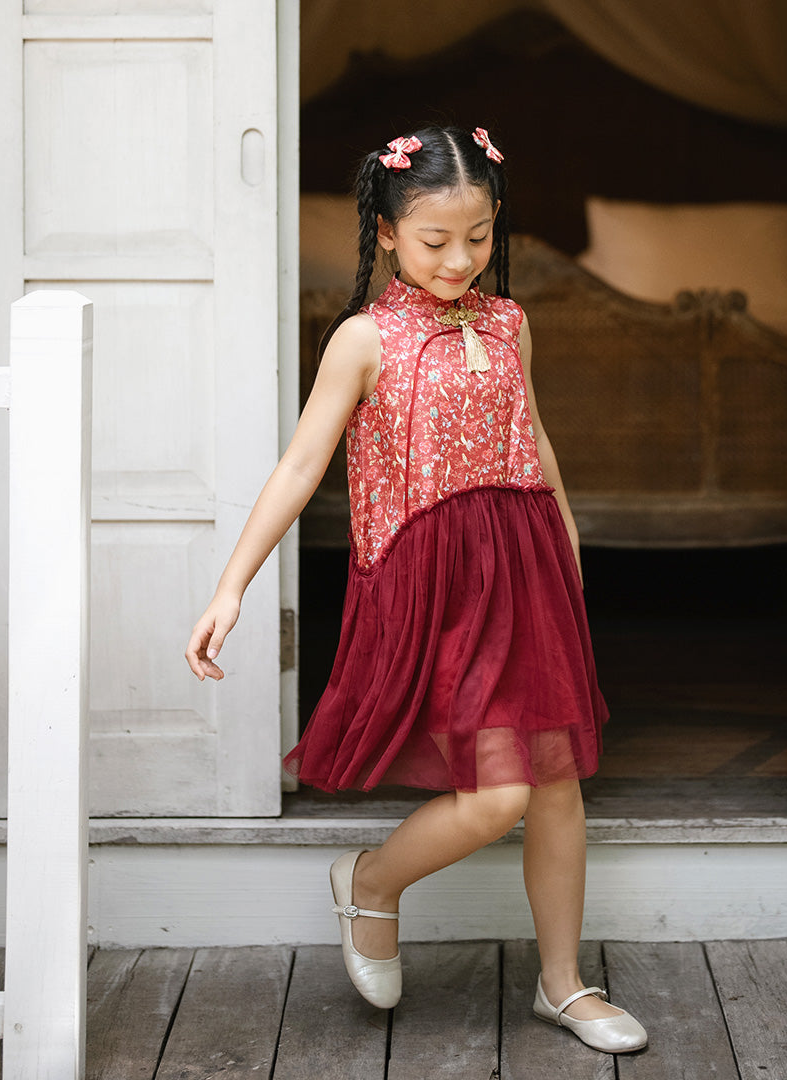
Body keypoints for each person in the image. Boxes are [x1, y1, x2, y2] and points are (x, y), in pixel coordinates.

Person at [185, 124, 647, 1054]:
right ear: (388, 233)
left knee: (556, 785)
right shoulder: (363, 339)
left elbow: (536, 440)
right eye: (435, 241)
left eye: (478, 237)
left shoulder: (511, 321)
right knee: (498, 794)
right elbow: (299, 465)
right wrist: (232, 586)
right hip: (433, 583)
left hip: (526, 567)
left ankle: (562, 985)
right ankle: (372, 881)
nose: (460, 259)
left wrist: (567, 549)